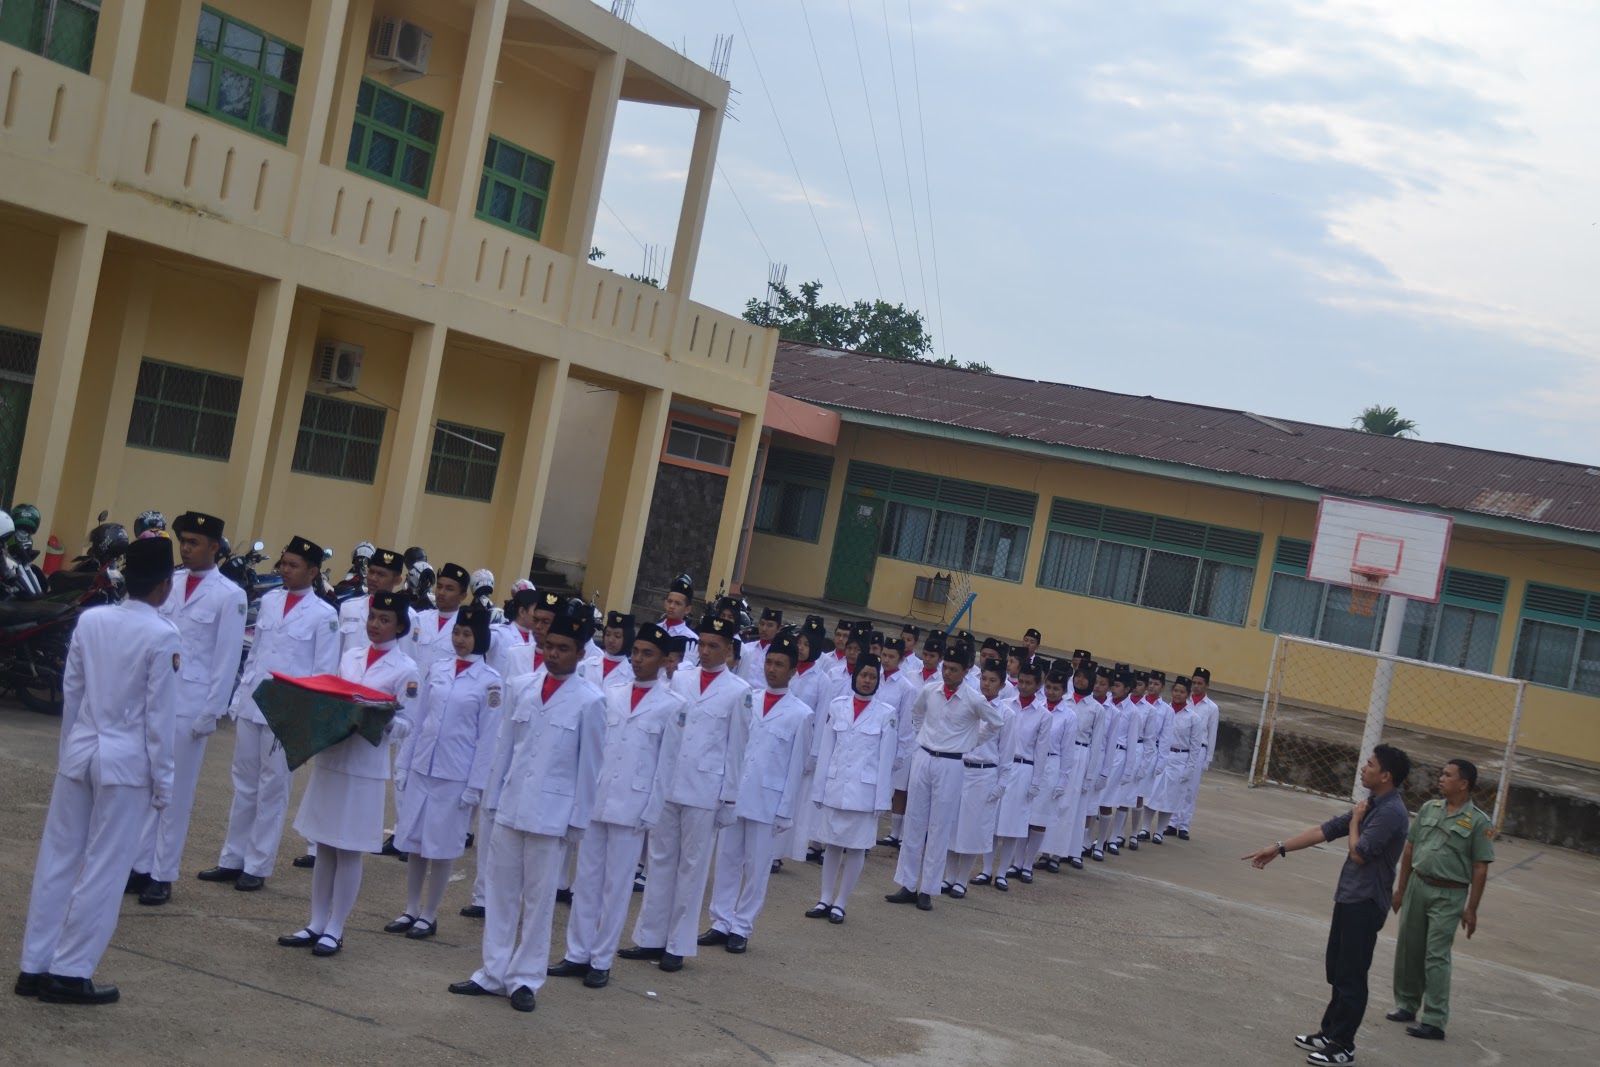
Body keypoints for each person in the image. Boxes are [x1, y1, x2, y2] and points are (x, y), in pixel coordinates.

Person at [15, 538, 179, 1005]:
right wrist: (164, 784)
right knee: (105, 868)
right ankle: (69, 972)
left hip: (83, 750)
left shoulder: (92, 619)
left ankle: (35, 965)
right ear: (165, 585)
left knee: (58, 860)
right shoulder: (164, 635)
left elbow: (74, 692)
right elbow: (158, 719)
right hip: (125, 763)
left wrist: (72, 751)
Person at [450, 608, 606, 1013]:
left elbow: (589, 769)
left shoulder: (591, 701)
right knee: (501, 893)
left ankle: (525, 979)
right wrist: (493, 800)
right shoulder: (521, 686)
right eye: (548, 646)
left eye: (563, 648)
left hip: (552, 814)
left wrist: (577, 822)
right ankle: (493, 971)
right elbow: (504, 748)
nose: (553, 654)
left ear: (579, 652)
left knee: (538, 901)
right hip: (511, 804)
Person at [1243, 744, 1413, 1067]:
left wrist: (1356, 821)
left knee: (1352, 974)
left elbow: (1359, 852)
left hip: (1366, 902)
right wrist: (1278, 848)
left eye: (1371, 764)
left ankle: (1343, 1045)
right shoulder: (1373, 803)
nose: (1364, 767)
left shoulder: (1390, 812)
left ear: (1386, 775)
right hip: (1349, 897)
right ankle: (1329, 1032)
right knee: (1337, 969)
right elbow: (1326, 829)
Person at [278, 592, 418, 958]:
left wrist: (376, 716)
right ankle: (315, 922)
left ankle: (336, 927)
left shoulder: (406, 669)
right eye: (373, 617)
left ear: (400, 626)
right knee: (324, 843)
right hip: (334, 755)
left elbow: (409, 725)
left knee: (349, 847)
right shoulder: (350, 656)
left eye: (384, 619)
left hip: (364, 765)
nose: (375, 624)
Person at [200, 536, 339, 893]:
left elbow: (323, 674)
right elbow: (257, 654)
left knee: (273, 789)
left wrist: (303, 720)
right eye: (284, 563)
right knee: (243, 784)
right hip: (252, 703)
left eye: (293, 566)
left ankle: (258, 864)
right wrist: (237, 697)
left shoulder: (324, 615)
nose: (285, 570)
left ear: (312, 572)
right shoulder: (270, 601)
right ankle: (232, 858)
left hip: (285, 713)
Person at [549, 624, 683, 989]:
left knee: (617, 886)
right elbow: (595, 750)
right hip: (599, 797)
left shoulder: (673, 706)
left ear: (664, 660)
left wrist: (651, 812)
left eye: (648, 654)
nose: (638, 659)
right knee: (586, 881)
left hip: (633, 805)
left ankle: (601, 958)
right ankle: (577, 952)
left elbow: (666, 767)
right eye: (636, 651)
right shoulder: (611, 692)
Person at [128, 511, 245, 907]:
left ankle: (162, 873)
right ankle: (140, 865)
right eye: (184, 541)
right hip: (157, 698)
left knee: (175, 794)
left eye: (194, 542)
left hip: (191, 704)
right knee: (146, 785)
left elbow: (227, 659)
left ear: (215, 547)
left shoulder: (230, 595)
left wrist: (210, 711)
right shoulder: (170, 583)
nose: (187, 549)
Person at [621, 615, 750, 972]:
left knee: (691, 868)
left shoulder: (739, 691)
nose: (705, 651)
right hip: (670, 782)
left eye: (714, 646)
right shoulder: (680, 678)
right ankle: (650, 937)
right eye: (702, 644)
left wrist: (729, 799)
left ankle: (677, 943)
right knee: (659, 861)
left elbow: (736, 749)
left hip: (706, 789)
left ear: (728, 650)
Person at [388, 606, 503, 942]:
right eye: (457, 633)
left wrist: (475, 786)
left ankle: (429, 914)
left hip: (455, 774)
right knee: (414, 843)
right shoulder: (437, 669)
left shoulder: (490, 683)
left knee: (441, 847)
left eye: (467, 634)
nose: (460, 640)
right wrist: (404, 764)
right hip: (424, 764)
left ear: (480, 637)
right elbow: (421, 719)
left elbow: (486, 741)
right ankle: (410, 908)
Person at [702, 632, 813, 953]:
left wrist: (785, 810)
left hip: (768, 799)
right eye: (769, 662)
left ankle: (742, 926)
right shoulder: (747, 699)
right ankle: (720, 921)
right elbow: (733, 749)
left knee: (757, 866)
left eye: (780, 664)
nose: (772, 669)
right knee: (726, 859)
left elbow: (796, 767)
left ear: (793, 671)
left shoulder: (800, 713)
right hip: (737, 794)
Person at [886, 641, 1004, 911]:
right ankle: (906, 883)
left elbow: (996, 723)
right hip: (924, 757)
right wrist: (921, 736)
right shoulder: (930, 690)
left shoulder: (973, 699)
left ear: (966, 671)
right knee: (914, 822)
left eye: (953, 669)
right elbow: (916, 714)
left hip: (951, 763)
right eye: (945, 668)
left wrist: (971, 742)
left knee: (939, 827)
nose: (947, 673)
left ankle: (928, 888)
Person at [1387, 758, 1494, 1042]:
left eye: (1447, 775)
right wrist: (1401, 890)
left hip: (1450, 893)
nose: (1440, 778)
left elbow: (1480, 868)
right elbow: (1410, 850)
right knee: (1409, 947)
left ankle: (1434, 1020)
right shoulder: (1428, 809)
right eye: (1441, 774)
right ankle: (1407, 1005)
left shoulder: (1479, 822)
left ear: (1464, 784)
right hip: (1418, 886)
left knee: (1436, 955)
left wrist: (1471, 909)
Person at [807, 653, 897, 924]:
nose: (867, 680)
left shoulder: (886, 714)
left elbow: (886, 760)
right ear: (854, 676)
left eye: (872, 676)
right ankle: (824, 898)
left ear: (878, 680)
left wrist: (882, 799)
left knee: (856, 848)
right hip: (835, 786)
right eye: (863, 675)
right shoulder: (838, 706)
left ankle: (841, 902)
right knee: (831, 843)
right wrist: (818, 789)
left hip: (864, 793)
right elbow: (826, 750)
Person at [944, 659, 1017, 897]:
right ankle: (948, 876)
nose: (986, 684)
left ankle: (962, 880)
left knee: (972, 830)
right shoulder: (970, 704)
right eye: (984, 679)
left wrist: (1002, 783)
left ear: (1002, 685)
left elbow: (1007, 752)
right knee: (952, 825)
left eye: (993, 680)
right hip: (960, 769)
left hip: (984, 773)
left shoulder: (1006, 713)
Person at [982, 659, 1053, 890]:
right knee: (992, 821)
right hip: (1002, 765)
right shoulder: (1005, 705)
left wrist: (1036, 782)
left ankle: (1002, 872)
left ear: (1038, 684)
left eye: (1029, 683)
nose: (1023, 686)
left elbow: (1041, 751)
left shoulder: (1043, 715)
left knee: (1013, 825)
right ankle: (985, 869)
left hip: (1024, 768)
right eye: (1021, 681)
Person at [879, 633, 945, 850]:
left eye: (932, 655)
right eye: (925, 654)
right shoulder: (911, 675)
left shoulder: (941, 681)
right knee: (899, 786)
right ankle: (895, 832)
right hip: (905, 734)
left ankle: (909, 834)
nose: (927, 659)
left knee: (915, 788)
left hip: (926, 738)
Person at [1144, 676, 1200, 847]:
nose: (1178, 694)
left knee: (1170, 797)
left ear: (1187, 694)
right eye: (1175, 691)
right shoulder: (1163, 711)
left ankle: (1160, 832)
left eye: (1182, 692)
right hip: (1161, 754)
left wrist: (1189, 769)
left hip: (1179, 758)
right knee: (1151, 794)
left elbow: (1195, 747)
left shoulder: (1193, 718)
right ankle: (1145, 828)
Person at [1173, 667, 1219, 839]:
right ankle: (1171, 821)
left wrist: (1208, 758)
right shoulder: (1185, 701)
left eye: (1200, 683)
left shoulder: (1211, 708)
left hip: (1199, 749)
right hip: (1182, 748)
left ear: (1207, 685)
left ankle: (1183, 825)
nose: (1196, 686)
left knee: (1191, 789)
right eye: (1194, 683)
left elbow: (1212, 733)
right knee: (1176, 785)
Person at [412, 562, 472, 678]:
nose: (441, 592)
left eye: (449, 589)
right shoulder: (420, 619)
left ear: (462, 596)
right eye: (439, 586)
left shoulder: (467, 628)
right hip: (413, 689)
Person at [579, 611, 636, 691]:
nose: (610, 640)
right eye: (608, 634)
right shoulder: (587, 665)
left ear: (627, 639)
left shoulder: (632, 675)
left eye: (617, 636)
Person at [736, 608, 783, 687]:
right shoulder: (747, 648)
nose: (764, 629)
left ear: (778, 629)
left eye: (770, 625)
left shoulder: (780, 654)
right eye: (762, 624)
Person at [660, 575, 699, 669]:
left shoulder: (692, 639)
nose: (672, 606)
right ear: (665, 604)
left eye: (677, 603)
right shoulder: (656, 629)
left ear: (687, 609)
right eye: (669, 601)